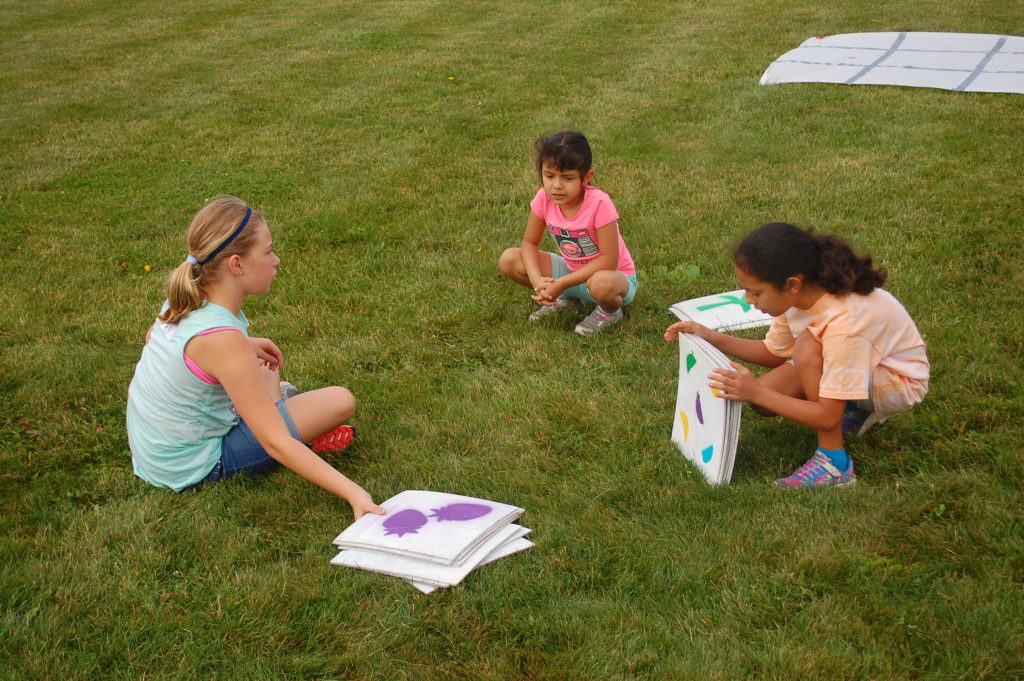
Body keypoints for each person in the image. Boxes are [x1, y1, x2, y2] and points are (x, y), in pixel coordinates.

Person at [127, 197, 384, 519]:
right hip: (197, 464)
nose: (276, 260)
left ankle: (279, 407)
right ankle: (294, 425)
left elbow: (156, 338)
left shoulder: (186, 294)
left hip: (156, 454)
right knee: (339, 401)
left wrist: (244, 346)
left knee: (263, 367)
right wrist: (354, 493)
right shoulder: (223, 341)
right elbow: (275, 442)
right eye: (268, 251)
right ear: (237, 264)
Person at [664, 222, 929, 488]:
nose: (748, 300)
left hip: (897, 384)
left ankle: (834, 464)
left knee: (806, 348)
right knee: (767, 401)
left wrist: (757, 391)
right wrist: (711, 336)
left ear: (792, 284)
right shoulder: (799, 297)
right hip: (864, 368)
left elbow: (827, 417)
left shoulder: (844, 324)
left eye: (756, 292)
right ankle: (852, 406)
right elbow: (771, 352)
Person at [498, 131, 638, 335]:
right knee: (509, 259)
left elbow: (609, 260)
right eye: (549, 176)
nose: (556, 185)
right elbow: (529, 243)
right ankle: (568, 300)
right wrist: (537, 280)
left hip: (612, 279)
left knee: (602, 283)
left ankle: (610, 312)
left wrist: (561, 283)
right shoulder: (544, 198)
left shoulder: (599, 203)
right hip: (572, 272)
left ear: (586, 177)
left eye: (568, 178)